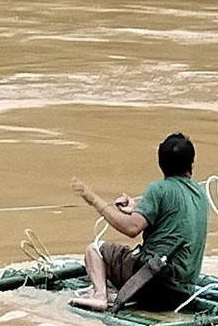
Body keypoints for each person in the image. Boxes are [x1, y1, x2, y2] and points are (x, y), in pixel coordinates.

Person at [69, 132, 208, 312]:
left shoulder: (158, 189)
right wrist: (137, 209)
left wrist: (93, 199)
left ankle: (99, 296)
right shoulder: (201, 194)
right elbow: (173, 220)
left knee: (94, 249)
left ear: (161, 163)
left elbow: (132, 228)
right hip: (182, 291)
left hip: (153, 284)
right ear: (191, 164)